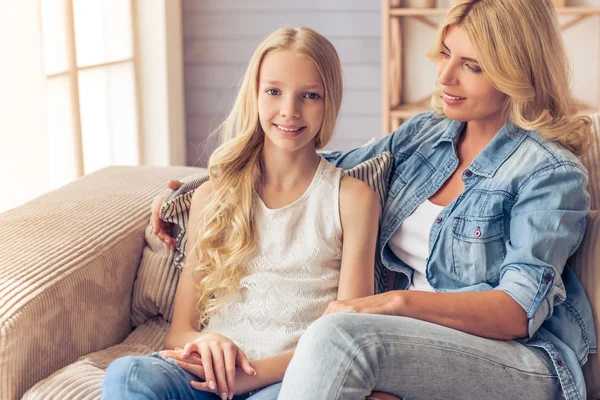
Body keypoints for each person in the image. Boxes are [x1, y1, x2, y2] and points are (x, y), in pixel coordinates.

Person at [153, 0, 597, 399]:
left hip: (513, 360)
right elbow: (310, 163)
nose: (444, 77)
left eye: (472, 66)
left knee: (336, 335)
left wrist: (393, 305)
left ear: (518, 70)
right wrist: (194, 192)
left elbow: (517, 311)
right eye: (445, 54)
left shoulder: (550, 174)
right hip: (400, 344)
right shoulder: (426, 135)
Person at [101, 26, 381, 400]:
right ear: (255, 95)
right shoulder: (212, 196)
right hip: (208, 375)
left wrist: (251, 375)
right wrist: (209, 341)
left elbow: (347, 334)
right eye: (274, 91)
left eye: (310, 95)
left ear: (329, 101)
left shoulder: (353, 199)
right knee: (129, 373)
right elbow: (179, 332)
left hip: (293, 379)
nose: (289, 111)